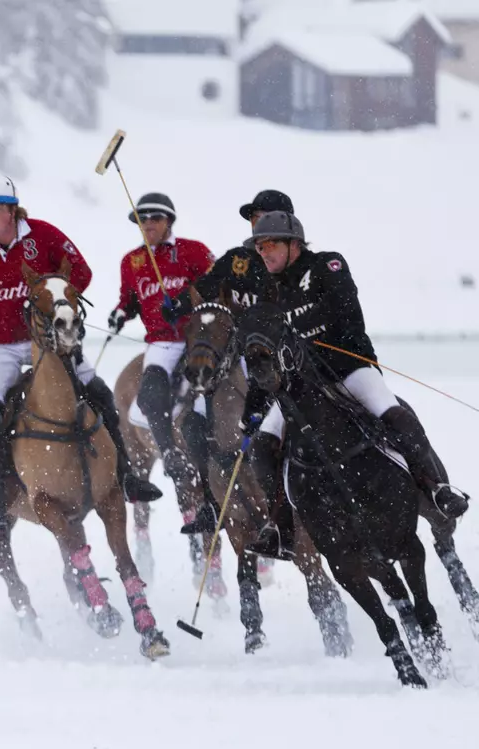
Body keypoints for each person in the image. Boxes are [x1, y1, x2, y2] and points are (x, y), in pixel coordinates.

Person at [0, 177, 163, 541]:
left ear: (12, 210)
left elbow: (81, 274)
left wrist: (54, 299)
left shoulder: (43, 236)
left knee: (101, 393)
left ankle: (126, 479)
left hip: (50, 341)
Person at [239, 211, 469, 558]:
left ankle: (435, 488)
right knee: (262, 446)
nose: (263, 252)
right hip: (300, 386)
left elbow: (345, 310)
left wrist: (300, 333)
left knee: (395, 414)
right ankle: (280, 526)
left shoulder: (328, 265)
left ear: (294, 243)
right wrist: (254, 406)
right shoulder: (269, 293)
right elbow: (264, 353)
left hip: (348, 369)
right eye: (258, 247)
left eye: (269, 244)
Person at [108, 192, 216, 533]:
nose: (148, 225)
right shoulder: (131, 262)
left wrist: (184, 303)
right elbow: (128, 301)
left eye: (155, 218)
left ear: (168, 221)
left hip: (199, 338)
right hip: (162, 343)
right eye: (143, 219)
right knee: (150, 391)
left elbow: (215, 286)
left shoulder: (194, 251)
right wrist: (119, 314)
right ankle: (169, 452)